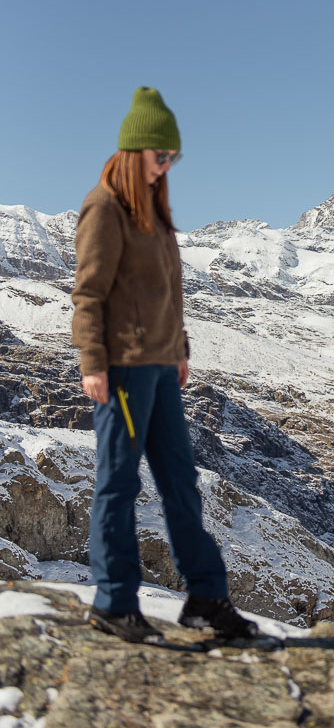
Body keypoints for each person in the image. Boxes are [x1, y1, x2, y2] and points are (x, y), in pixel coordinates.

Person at [71, 87, 259, 645]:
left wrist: (179, 350)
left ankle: (205, 599)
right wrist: (94, 363)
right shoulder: (104, 208)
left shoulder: (155, 213)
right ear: (135, 151)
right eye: (161, 156)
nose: (167, 166)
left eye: (173, 158)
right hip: (124, 372)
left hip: (160, 371)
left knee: (181, 483)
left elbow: (169, 292)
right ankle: (113, 603)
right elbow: (88, 293)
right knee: (119, 486)